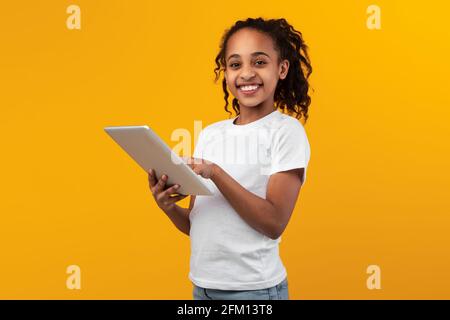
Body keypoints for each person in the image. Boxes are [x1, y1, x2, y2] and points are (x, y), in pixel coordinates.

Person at [148, 17, 312, 300]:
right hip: (203, 289)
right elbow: (197, 225)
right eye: (235, 64)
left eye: (259, 62)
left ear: (281, 68)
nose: (246, 73)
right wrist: (167, 207)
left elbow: (274, 223)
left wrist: (216, 173)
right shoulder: (211, 134)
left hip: (254, 292)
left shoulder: (286, 132)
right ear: (225, 73)